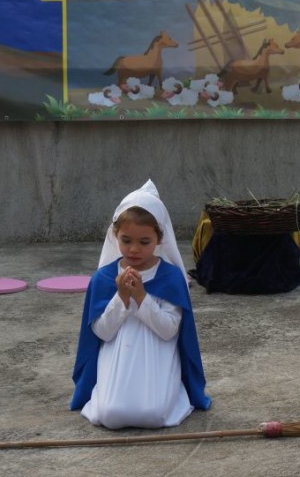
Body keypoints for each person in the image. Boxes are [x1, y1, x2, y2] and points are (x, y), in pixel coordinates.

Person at [70, 179, 211, 428]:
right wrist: (121, 297)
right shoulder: (104, 278)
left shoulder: (170, 277)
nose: (134, 249)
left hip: (157, 356)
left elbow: (169, 330)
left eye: (144, 242)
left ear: (159, 239)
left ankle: (172, 391)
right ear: (115, 236)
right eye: (126, 240)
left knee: (153, 414)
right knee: (110, 415)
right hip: (117, 358)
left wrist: (142, 298)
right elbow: (102, 332)